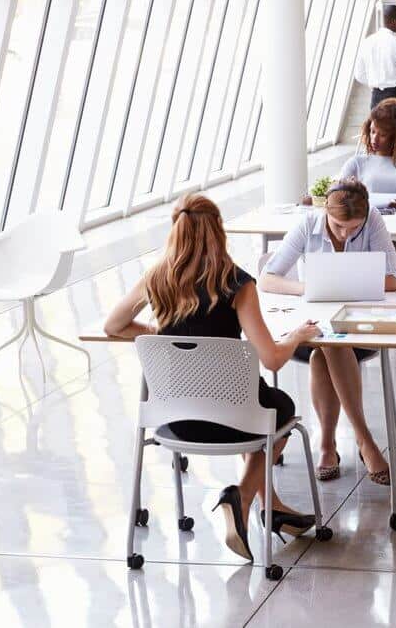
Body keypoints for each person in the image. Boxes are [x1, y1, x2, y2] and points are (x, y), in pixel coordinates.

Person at [103, 194, 321, 563]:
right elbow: (272, 358)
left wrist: (165, 337)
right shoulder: (236, 282)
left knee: (258, 409)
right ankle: (241, 496)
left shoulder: (158, 276)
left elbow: (113, 326)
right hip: (237, 422)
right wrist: (297, 337)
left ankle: (274, 508)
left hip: (177, 422)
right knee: (279, 408)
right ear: (218, 231)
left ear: (176, 231)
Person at [259, 180, 396, 486]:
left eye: (353, 228)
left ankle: (327, 445)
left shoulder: (373, 219)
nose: (345, 234)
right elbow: (267, 280)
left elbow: (393, 280)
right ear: (326, 213)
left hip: (358, 330)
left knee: (329, 348)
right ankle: (366, 442)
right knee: (327, 345)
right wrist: (307, 288)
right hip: (306, 330)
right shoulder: (307, 223)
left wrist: (346, 286)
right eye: (338, 226)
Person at [339, 98, 396, 209]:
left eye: (383, 135)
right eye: (372, 131)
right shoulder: (356, 163)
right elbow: (337, 197)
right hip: (366, 220)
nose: (374, 139)